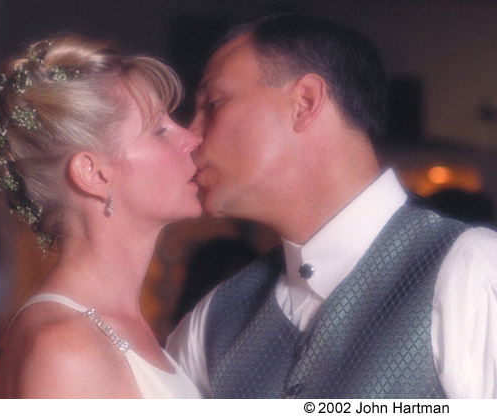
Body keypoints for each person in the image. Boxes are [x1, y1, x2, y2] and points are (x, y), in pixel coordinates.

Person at [166, 14, 497, 399]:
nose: (190, 135)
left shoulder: (473, 272)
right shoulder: (209, 324)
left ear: (305, 103)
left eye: (213, 103)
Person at [0, 34, 202, 398]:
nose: (191, 138)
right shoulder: (66, 350)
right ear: (94, 174)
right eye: (160, 131)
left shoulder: (104, 327)